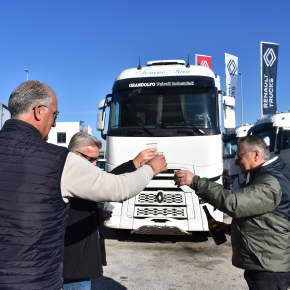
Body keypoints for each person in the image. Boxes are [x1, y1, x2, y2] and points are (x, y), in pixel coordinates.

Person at [0, 80, 167, 290]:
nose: (54, 124)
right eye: (55, 114)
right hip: (36, 281)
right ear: (39, 111)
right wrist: (151, 168)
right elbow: (119, 187)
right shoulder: (58, 160)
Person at [174, 135, 290, 290]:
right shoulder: (263, 177)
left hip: (268, 269)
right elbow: (264, 219)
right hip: (264, 263)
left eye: (239, 156)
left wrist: (195, 181)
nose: (236, 162)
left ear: (255, 154)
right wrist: (230, 229)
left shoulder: (270, 183)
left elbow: (234, 203)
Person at [63, 132, 156, 289]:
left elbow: (100, 187)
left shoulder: (75, 175)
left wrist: (94, 214)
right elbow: (112, 186)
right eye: (90, 159)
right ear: (74, 154)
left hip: (79, 260)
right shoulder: (69, 175)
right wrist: (149, 168)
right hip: (74, 263)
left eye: (96, 159)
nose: (94, 164)